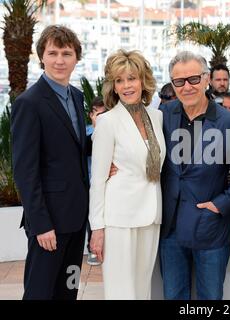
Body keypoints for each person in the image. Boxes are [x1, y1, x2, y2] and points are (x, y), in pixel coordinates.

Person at [159, 51, 230, 300]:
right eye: (179, 81)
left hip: (209, 226)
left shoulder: (228, 122)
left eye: (193, 79)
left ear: (206, 78)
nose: (186, 86)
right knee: (173, 295)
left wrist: (219, 205)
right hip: (169, 226)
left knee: (210, 297)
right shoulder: (163, 115)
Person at [11, 25, 88, 300]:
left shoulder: (77, 97)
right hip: (49, 224)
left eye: (66, 53)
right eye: (52, 53)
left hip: (77, 220)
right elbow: (24, 171)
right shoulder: (28, 103)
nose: (59, 60)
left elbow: (74, 147)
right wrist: (41, 224)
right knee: (39, 293)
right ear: (41, 56)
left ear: (76, 58)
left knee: (68, 290)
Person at [88, 49, 166, 299]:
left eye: (131, 78)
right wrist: (97, 229)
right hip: (119, 218)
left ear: (143, 80)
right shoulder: (107, 122)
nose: (126, 86)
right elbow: (98, 180)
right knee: (122, 292)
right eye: (119, 80)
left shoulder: (157, 117)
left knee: (142, 289)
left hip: (152, 215)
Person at [85, 96, 106, 266]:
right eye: (98, 114)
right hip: (88, 184)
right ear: (91, 114)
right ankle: (92, 249)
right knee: (90, 218)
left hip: (107, 184)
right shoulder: (85, 132)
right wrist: (96, 129)